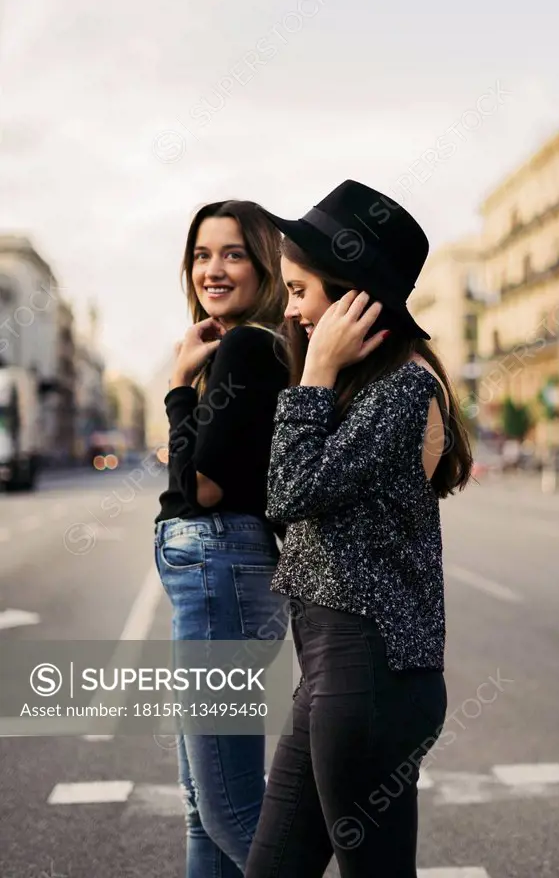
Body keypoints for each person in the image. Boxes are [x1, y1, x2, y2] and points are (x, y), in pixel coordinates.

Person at [245, 180, 473, 878]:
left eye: (300, 291)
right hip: (334, 669)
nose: (291, 309)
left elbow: (287, 493)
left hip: (370, 671)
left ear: (350, 292)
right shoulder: (371, 384)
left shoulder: (403, 388)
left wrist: (314, 373)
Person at [154, 199, 290, 878]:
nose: (213, 268)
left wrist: (179, 386)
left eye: (233, 253)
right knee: (203, 808)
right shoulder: (249, 347)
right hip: (228, 569)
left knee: (228, 809)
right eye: (202, 255)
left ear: (264, 264)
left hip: (220, 565)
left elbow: (200, 486)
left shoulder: (245, 346)